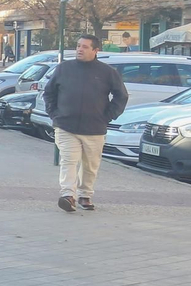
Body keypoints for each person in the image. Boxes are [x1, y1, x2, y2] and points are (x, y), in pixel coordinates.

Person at [41, 35, 128, 213]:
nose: (80, 49)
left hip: (94, 127)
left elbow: (121, 96)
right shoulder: (64, 68)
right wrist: (54, 114)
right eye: (78, 46)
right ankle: (68, 195)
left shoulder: (107, 72)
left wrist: (108, 116)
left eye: (85, 47)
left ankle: (85, 195)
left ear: (96, 51)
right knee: (69, 160)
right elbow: (49, 93)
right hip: (66, 126)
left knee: (90, 165)